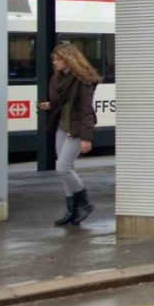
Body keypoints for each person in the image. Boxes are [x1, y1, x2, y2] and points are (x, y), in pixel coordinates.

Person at [37, 42, 99, 227]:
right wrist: (50, 105)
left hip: (77, 127)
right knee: (67, 169)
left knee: (62, 168)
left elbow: (85, 109)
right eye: (53, 60)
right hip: (62, 127)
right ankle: (72, 211)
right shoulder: (57, 79)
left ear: (68, 60)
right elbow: (59, 102)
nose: (54, 63)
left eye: (58, 59)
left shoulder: (83, 79)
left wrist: (86, 137)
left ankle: (84, 203)